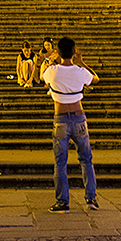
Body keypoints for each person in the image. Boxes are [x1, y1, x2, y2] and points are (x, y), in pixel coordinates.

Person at [40, 36, 100, 212]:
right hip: (79, 117)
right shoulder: (80, 71)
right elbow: (95, 79)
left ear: (58, 52)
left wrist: (49, 61)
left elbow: (42, 77)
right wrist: (82, 63)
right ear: (74, 52)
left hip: (61, 120)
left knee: (60, 163)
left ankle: (62, 202)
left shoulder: (53, 71)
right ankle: (91, 198)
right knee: (86, 159)